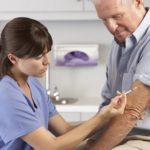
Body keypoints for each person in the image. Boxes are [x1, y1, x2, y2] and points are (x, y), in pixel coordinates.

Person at [0, 17, 127, 150]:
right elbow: (50, 146)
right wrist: (101, 117)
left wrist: (107, 117)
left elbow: (65, 130)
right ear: (13, 58)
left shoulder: (33, 84)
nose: (47, 61)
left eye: (46, 53)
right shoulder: (6, 95)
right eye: (38, 57)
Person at [84, 0, 150, 149]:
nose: (111, 27)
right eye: (104, 20)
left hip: (145, 138)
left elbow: (132, 111)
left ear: (137, 2)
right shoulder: (119, 42)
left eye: (117, 16)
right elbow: (107, 106)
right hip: (122, 134)